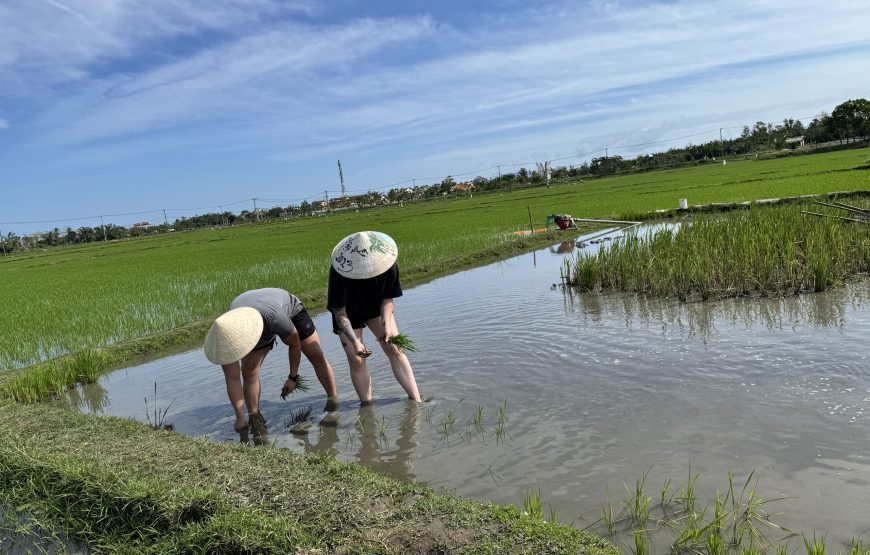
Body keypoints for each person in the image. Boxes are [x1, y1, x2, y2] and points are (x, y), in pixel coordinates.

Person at [204, 288, 338, 432]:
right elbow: (232, 379)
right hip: (248, 321)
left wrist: (292, 377)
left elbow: (294, 343)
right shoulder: (223, 337)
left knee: (315, 354)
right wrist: (239, 418)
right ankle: (254, 416)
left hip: (284, 311)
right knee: (249, 371)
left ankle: (333, 402)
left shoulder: (274, 318)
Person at [327, 231, 421, 403]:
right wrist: (356, 342)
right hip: (348, 312)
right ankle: (367, 406)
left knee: (394, 348)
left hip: (376, 306)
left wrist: (386, 325)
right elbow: (340, 312)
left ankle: (416, 400)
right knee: (356, 359)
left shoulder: (388, 263)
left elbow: (388, 297)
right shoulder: (340, 270)